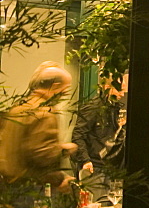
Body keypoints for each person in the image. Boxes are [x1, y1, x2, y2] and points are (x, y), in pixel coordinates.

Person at [0, 62, 78, 201]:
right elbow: (42, 153)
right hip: (35, 189)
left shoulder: (19, 108)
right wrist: (64, 150)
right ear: (55, 87)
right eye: (65, 91)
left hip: (12, 185)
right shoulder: (43, 113)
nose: (64, 95)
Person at [71, 75, 126, 194]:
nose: (122, 94)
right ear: (107, 87)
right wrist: (85, 160)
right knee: (95, 206)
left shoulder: (114, 108)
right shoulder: (93, 107)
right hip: (94, 166)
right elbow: (78, 135)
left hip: (110, 166)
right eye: (119, 90)